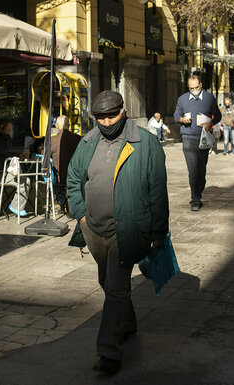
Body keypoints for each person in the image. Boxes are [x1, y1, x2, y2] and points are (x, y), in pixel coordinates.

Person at [66, 90, 169, 375]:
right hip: (93, 229)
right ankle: (128, 323)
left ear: (123, 112)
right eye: (101, 117)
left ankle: (109, 353)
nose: (107, 121)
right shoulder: (86, 142)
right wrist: (81, 214)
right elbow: (73, 177)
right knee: (108, 282)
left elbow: (158, 191)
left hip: (128, 230)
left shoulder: (146, 143)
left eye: (112, 115)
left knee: (114, 287)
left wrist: (159, 231)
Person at [174, 75, 221, 211]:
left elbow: (217, 115)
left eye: (196, 87)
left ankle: (198, 192)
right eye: (191, 88)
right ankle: (195, 199)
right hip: (188, 139)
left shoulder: (209, 98)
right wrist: (182, 120)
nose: (194, 90)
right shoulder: (182, 99)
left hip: (203, 138)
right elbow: (176, 116)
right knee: (193, 169)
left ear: (201, 85)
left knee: (201, 169)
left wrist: (210, 123)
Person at [0, 120, 30, 217]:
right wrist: (7, 136)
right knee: (26, 181)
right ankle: (15, 206)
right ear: (1, 127)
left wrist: (17, 155)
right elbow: (5, 149)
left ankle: (16, 206)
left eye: (10, 130)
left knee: (24, 178)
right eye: (8, 130)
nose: (9, 133)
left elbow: (4, 153)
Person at [49, 115, 81, 208]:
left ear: (56, 126)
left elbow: (45, 155)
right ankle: (69, 203)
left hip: (59, 177)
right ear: (69, 125)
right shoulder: (77, 138)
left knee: (51, 179)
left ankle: (62, 202)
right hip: (75, 176)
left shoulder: (53, 140)